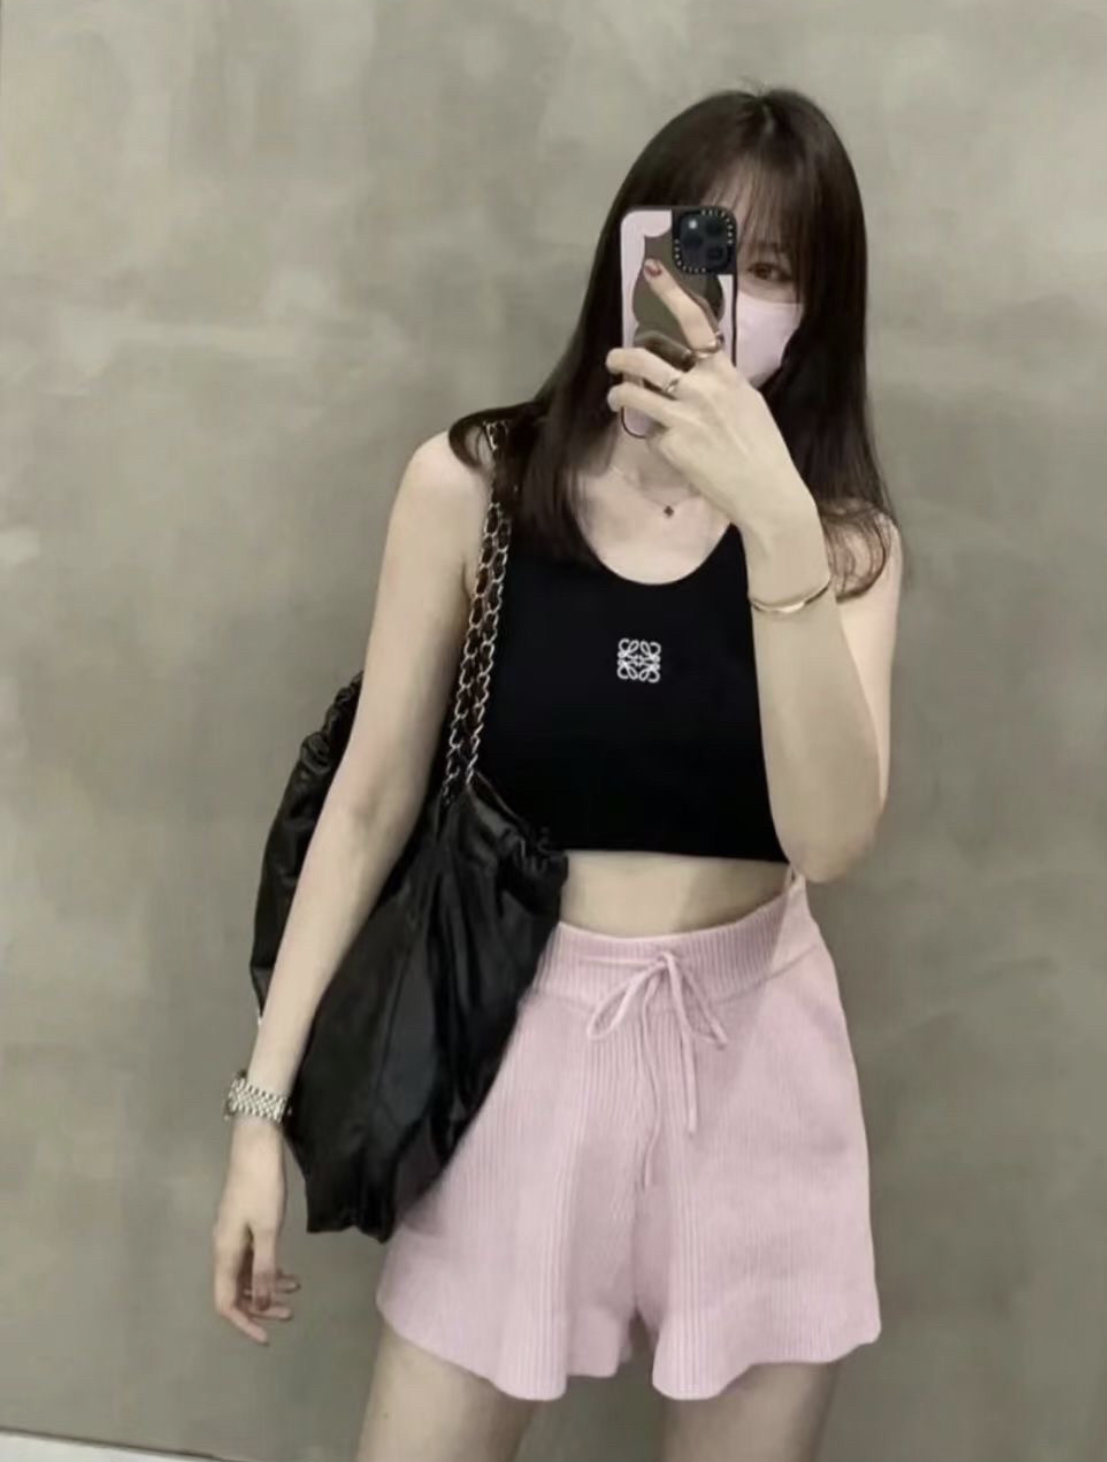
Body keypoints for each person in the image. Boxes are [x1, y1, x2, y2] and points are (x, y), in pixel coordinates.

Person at [212, 83, 905, 1462]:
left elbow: (829, 840)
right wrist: (256, 1117)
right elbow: (368, 804)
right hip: (518, 1043)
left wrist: (772, 522)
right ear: (627, 253)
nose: (725, 299)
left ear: (819, 306)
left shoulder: (842, 546)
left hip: (758, 1064)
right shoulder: (476, 484)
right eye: (697, 247)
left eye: (773, 269)